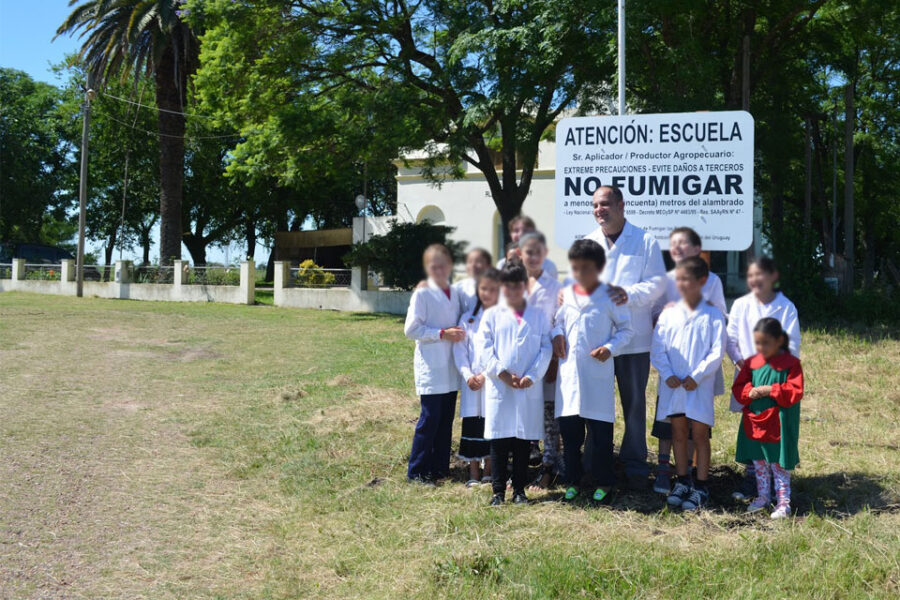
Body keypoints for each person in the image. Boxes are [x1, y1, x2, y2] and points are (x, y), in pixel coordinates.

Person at [584, 185, 667, 489]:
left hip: (634, 341)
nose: (599, 210)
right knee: (595, 405)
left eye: (605, 204)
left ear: (621, 205)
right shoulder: (587, 242)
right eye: (595, 205)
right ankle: (594, 463)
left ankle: (634, 465)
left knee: (633, 405)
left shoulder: (645, 241)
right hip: (597, 343)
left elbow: (657, 284)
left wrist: (628, 295)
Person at [552, 239, 633, 504]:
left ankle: (604, 482)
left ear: (599, 268)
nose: (579, 273)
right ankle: (573, 481)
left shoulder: (609, 296)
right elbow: (557, 323)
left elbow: (626, 330)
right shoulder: (567, 295)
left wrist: (610, 347)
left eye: (585, 268)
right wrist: (556, 336)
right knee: (571, 436)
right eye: (575, 268)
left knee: (600, 437)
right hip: (570, 379)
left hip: (596, 375)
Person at [650, 226, 727, 494]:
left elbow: (717, 347)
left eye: (689, 280)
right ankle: (678, 478)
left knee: (700, 432)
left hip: (699, 380)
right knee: (676, 431)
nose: (683, 285)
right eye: (679, 281)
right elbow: (657, 344)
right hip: (673, 379)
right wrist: (668, 371)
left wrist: (698, 375)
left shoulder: (712, 307)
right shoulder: (667, 303)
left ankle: (700, 483)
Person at [726, 256, 801, 500]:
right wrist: (742, 364)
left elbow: (792, 345)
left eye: (761, 275)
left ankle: (778, 480)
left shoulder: (786, 306)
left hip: (775, 378)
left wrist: (772, 372)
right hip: (748, 374)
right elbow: (731, 338)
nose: (755, 280)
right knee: (751, 427)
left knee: (773, 427)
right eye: (751, 275)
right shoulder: (740, 304)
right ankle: (753, 479)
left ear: (772, 276)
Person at [479, 263, 553, 505]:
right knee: (500, 441)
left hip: (527, 387)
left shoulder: (538, 315)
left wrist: (532, 375)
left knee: (523, 441)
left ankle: (519, 490)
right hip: (501, 387)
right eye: (508, 288)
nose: (512, 292)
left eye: (517, 287)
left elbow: (545, 348)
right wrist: (502, 374)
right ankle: (498, 492)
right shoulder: (491, 315)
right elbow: (484, 349)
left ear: (525, 286)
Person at [404, 244, 465, 485]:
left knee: (446, 420)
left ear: (450, 266)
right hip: (432, 367)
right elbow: (411, 329)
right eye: (433, 265)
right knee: (429, 419)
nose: (439, 269)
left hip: (451, 368)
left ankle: (440, 468)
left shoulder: (455, 292)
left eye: (443, 264)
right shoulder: (422, 293)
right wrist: (441, 333)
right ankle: (417, 470)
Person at [733, 317, 804, 519]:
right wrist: (749, 392)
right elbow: (740, 386)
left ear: (779, 340)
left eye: (766, 343)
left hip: (778, 423)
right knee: (759, 461)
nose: (761, 347)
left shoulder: (791, 364)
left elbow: (795, 391)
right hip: (756, 421)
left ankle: (783, 502)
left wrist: (771, 390)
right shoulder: (752, 363)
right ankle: (763, 497)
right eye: (758, 343)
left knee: (778, 463)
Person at [518, 232, 563, 490]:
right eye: (528, 252)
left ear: (544, 255)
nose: (533, 256)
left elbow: (557, 325)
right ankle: (521, 470)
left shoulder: (556, 288)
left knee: (549, 417)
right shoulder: (513, 286)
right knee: (523, 415)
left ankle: (549, 469)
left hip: (546, 361)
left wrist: (554, 362)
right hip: (520, 362)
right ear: (520, 255)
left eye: (538, 252)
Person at [452, 268, 501, 487]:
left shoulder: (503, 317)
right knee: (472, 423)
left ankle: (490, 469)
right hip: (471, 381)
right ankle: (473, 470)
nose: (488, 293)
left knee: (492, 422)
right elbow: (460, 351)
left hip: (493, 380)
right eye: (484, 289)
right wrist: (468, 374)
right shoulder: (467, 319)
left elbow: (502, 351)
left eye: (492, 289)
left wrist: (485, 374)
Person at [453, 248, 493, 314]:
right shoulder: (457, 289)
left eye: (478, 261)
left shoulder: (498, 287)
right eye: (470, 262)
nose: (473, 265)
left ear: (489, 266)